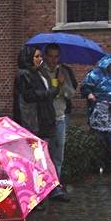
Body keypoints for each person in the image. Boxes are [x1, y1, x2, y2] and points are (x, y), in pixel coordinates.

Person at [13, 45, 57, 210]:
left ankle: (39, 194)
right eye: (36, 56)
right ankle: (31, 197)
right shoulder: (24, 74)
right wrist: (49, 93)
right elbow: (29, 96)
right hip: (31, 123)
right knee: (32, 162)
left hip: (41, 121)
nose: (40, 59)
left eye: (40, 56)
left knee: (39, 161)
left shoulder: (38, 72)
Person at [41, 43, 77, 202]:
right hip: (44, 119)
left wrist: (62, 85)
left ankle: (55, 188)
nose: (53, 60)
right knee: (43, 156)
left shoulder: (63, 72)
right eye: (50, 56)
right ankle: (42, 189)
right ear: (45, 56)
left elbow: (71, 94)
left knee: (58, 155)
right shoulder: (40, 72)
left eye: (56, 57)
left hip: (60, 117)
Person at [80, 54, 111, 172]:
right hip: (98, 108)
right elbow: (85, 88)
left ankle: (109, 162)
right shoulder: (94, 75)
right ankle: (97, 164)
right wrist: (89, 94)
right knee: (98, 139)